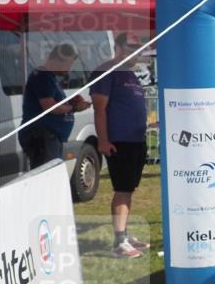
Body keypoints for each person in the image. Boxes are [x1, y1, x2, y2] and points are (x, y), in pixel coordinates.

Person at [91, 33, 150, 259]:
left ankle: (124, 233)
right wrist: (103, 140)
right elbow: (99, 109)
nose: (137, 51)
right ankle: (119, 241)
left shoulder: (130, 74)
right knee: (122, 189)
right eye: (132, 46)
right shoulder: (106, 71)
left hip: (136, 140)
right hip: (119, 142)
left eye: (139, 47)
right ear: (118, 47)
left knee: (128, 190)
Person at [19, 43, 90, 170]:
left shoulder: (50, 77)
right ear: (56, 60)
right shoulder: (42, 76)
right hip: (42, 137)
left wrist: (70, 102)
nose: (70, 69)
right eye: (68, 64)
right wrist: (74, 108)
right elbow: (50, 106)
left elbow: (53, 103)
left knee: (51, 175)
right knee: (46, 177)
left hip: (49, 138)